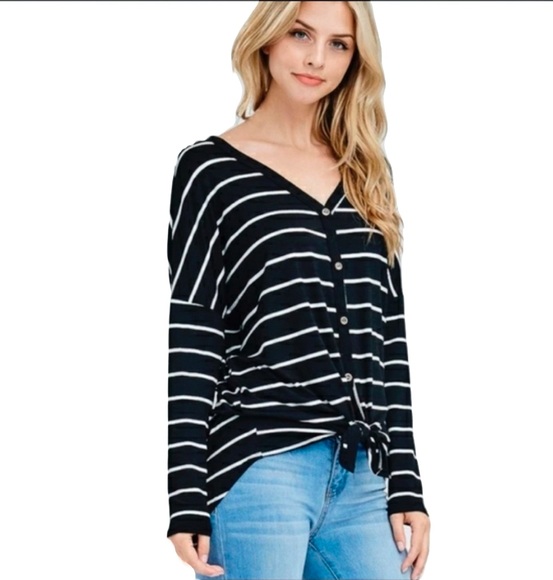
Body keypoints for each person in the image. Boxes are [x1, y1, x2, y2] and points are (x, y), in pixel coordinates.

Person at [166, 2, 430, 579]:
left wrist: (405, 479)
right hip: (260, 467)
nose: (317, 59)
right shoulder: (210, 171)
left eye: (338, 44)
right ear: (267, 39)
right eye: (301, 34)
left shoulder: (367, 171)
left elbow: (388, 335)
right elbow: (194, 332)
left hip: (363, 475)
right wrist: (184, 491)